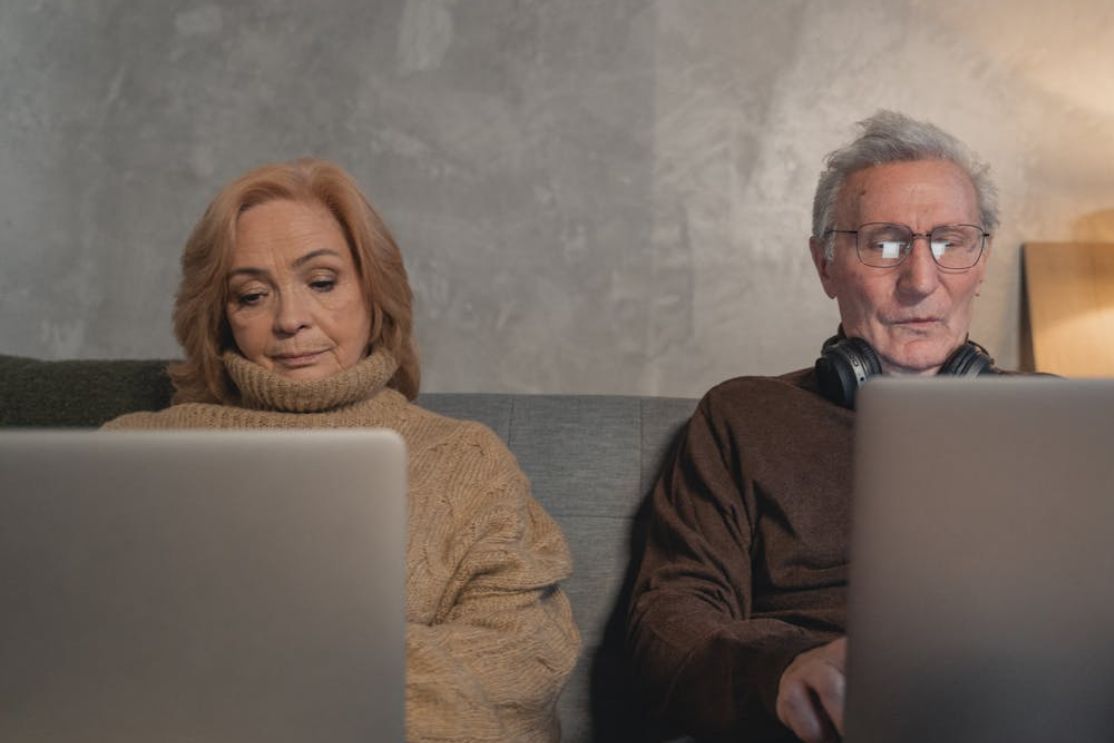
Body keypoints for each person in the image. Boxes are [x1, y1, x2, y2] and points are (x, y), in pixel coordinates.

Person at [104, 158, 579, 742]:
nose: (291, 319)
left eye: (322, 282)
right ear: (221, 317)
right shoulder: (129, 454)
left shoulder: (466, 461)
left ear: (375, 292)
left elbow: (519, 666)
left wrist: (284, 689)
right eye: (251, 295)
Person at [626, 111, 1011, 743]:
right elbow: (670, 623)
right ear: (825, 265)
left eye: (950, 241)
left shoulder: (1059, 415)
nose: (921, 281)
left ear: (983, 260)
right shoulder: (743, 416)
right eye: (884, 243)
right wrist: (784, 672)